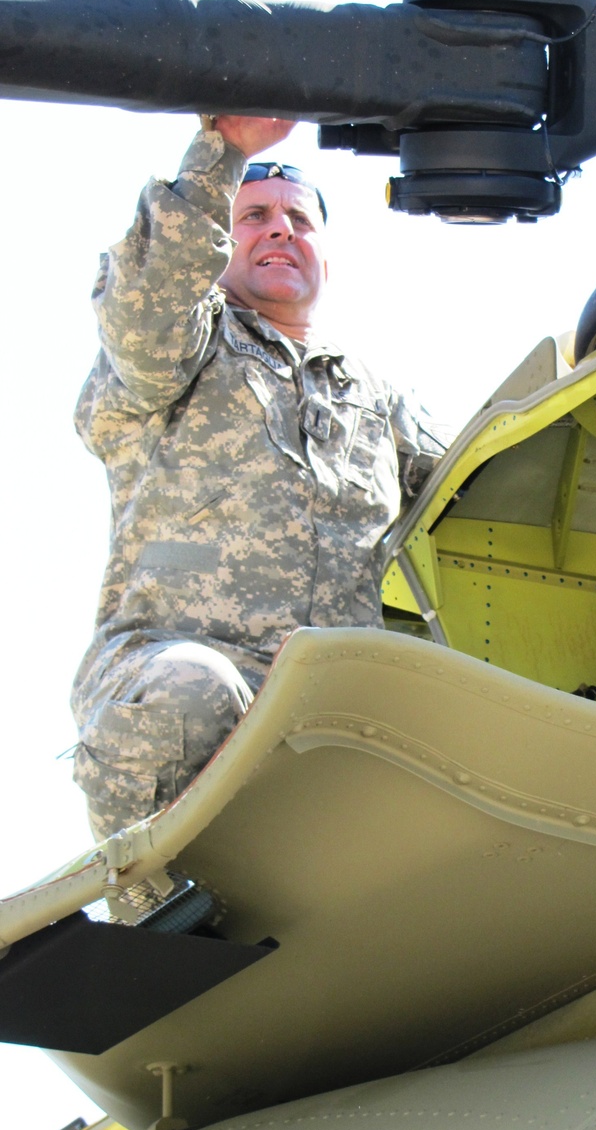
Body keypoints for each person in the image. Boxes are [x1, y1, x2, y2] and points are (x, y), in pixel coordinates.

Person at [71, 116, 444, 840]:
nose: (279, 230)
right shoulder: (184, 348)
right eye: (253, 217)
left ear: (327, 258)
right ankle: (155, 916)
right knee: (194, 689)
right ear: (218, 238)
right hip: (178, 685)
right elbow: (147, 309)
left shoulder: (376, 395)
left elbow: (472, 492)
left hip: (335, 711)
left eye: (299, 220)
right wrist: (225, 154)